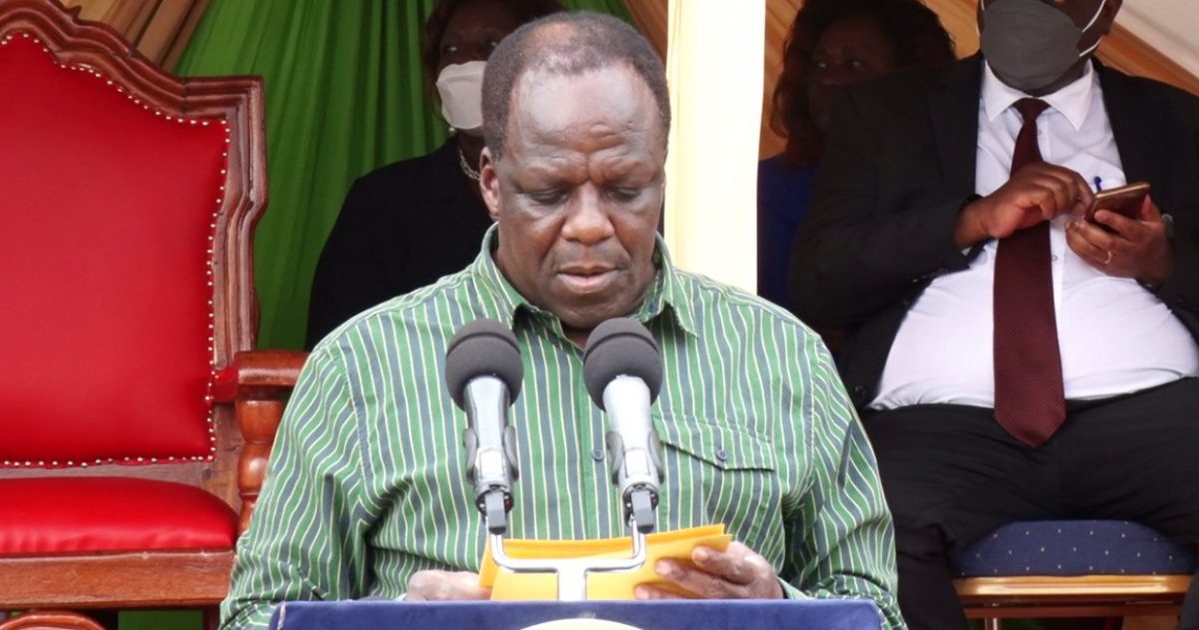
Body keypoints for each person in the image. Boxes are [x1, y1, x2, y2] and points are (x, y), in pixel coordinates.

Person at [222, 11, 905, 630]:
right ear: (492, 183)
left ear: (662, 177)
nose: (588, 225)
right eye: (549, 193)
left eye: (625, 190)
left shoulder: (780, 357)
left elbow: (874, 613)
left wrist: (776, 609)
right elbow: (258, 616)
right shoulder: (360, 367)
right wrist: (398, 624)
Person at [790, 0, 1199, 628]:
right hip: (937, 426)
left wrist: (1163, 259)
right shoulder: (884, 113)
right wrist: (969, 220)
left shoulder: (1177, 119)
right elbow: (820, 280)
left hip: (1156, 412)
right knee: (858, 529)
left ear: (1108, 8)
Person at [304, 0, 564, 349]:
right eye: (450, 50)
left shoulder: (588, 195)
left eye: (490, 45)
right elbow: (335, 352)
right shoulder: (382, 203)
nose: (464, 62)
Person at [758, 0, 954, 313]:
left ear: (909, 81)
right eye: (820, 65)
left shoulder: (954, 178)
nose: (828, 79)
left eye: (854, 66)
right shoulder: (769, 191)